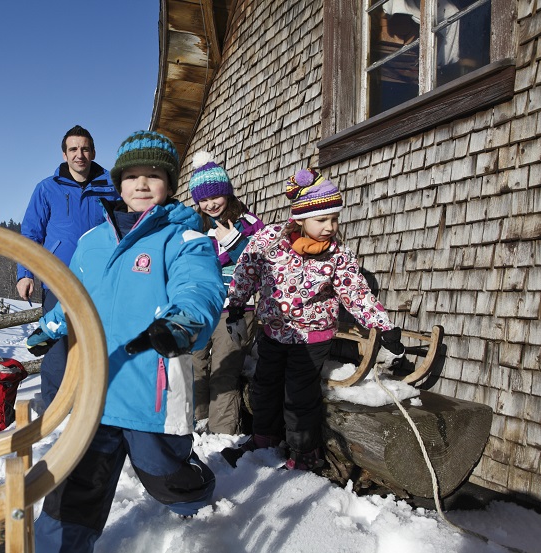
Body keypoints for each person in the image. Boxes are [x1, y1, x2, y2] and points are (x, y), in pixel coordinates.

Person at [26, 131, 225, 552]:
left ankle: (197, 496)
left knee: (164, 476)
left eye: (153, 175)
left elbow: (199, 290)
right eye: (132, 175)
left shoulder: (184, 239)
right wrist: (50, 327)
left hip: (150, 391)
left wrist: (183, 323)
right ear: (117, 183)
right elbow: (76, 299)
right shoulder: (90, 242)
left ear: (169, 184)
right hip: (95, 391)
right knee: (76, 485)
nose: (141, 184)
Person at [220, 169, 404, 470]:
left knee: (299, 395)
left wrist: (383, 326)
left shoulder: (336, 256)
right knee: (264, 386)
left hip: (312, 338)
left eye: (334, 219)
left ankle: (304, 453)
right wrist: (236, 308)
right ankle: (264, 441)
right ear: (300, 219)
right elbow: (246, 271)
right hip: (273, 332)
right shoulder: (269, 241)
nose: (330, 226)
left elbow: (356, 292)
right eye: (322, 219)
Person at [17, 125, 120, 408]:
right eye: (73, 149)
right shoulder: (47, 188)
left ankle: (98, 406)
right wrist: (25, 273)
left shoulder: (111, 187)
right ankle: (55, 408)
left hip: (102, 281)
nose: (79, 155)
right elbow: (31, 234)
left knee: (100, 344)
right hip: (58, 279)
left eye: (85, 148)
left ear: (94, 152)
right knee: (57, 348)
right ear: (64, 154)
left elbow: (126, 228)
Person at [187, 151, 265, 435]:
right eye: (203, 200)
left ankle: (222, 435)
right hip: (203, 309)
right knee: (196, 366)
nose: (210, 204)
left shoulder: (248, 224)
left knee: (224, 372)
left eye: (215, 196)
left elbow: (262, 263)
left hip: (236, 309)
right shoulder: (197, 227)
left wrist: (232, 241)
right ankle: (198, 423)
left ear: (227, 193)